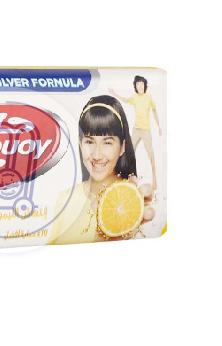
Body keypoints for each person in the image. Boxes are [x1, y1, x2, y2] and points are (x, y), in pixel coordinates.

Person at [49, 95, 154, 245]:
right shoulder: (65, 199)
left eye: (107, 142)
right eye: (89, 142)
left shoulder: (136, 205)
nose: (97, 155)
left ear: (122, 147)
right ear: (80, 144)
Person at [109, 75, 162, 189]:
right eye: (138, 84)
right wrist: (114, 94)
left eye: (142, 84)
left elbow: (154, 112)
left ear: (144, 85)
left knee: (150, 153)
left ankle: (154, 178)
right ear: (136, 86)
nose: (140, 86)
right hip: (136, 130)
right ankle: (128, 175)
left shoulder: (149, 97)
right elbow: (125, 100)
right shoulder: (134, 98)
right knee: (129, 151)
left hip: (146, 130)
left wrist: (159, 126)